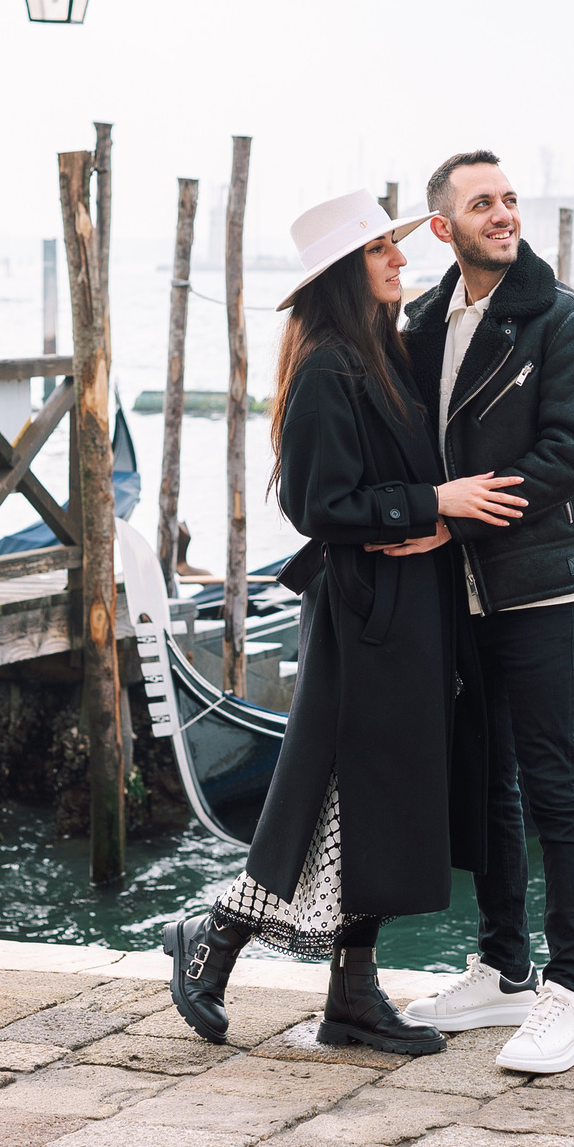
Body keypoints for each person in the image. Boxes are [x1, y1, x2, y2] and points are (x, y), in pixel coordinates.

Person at [161, 188, 527, 1053]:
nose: (401, 260)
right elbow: (317, 503)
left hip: (405, 612)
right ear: (341, 277)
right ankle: (216, 935)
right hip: (366, 617)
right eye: (381, 252)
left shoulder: (387, 352)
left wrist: (430, 516)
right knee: (342, 799)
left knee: (374, 806)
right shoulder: (329, 365)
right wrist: (431, 502)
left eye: (397, 248)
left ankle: (347, 993)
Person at [396, 150, 574, 1074]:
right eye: (481, 203)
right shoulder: (416, 324)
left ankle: (572, 996)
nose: (502, 214)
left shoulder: (565, 321)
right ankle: (503, 969)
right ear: (442, 226)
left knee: (554, 782)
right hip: (457, 588)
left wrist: (465, 507)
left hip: (538, 583)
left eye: (510, 199)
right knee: (482, 779)